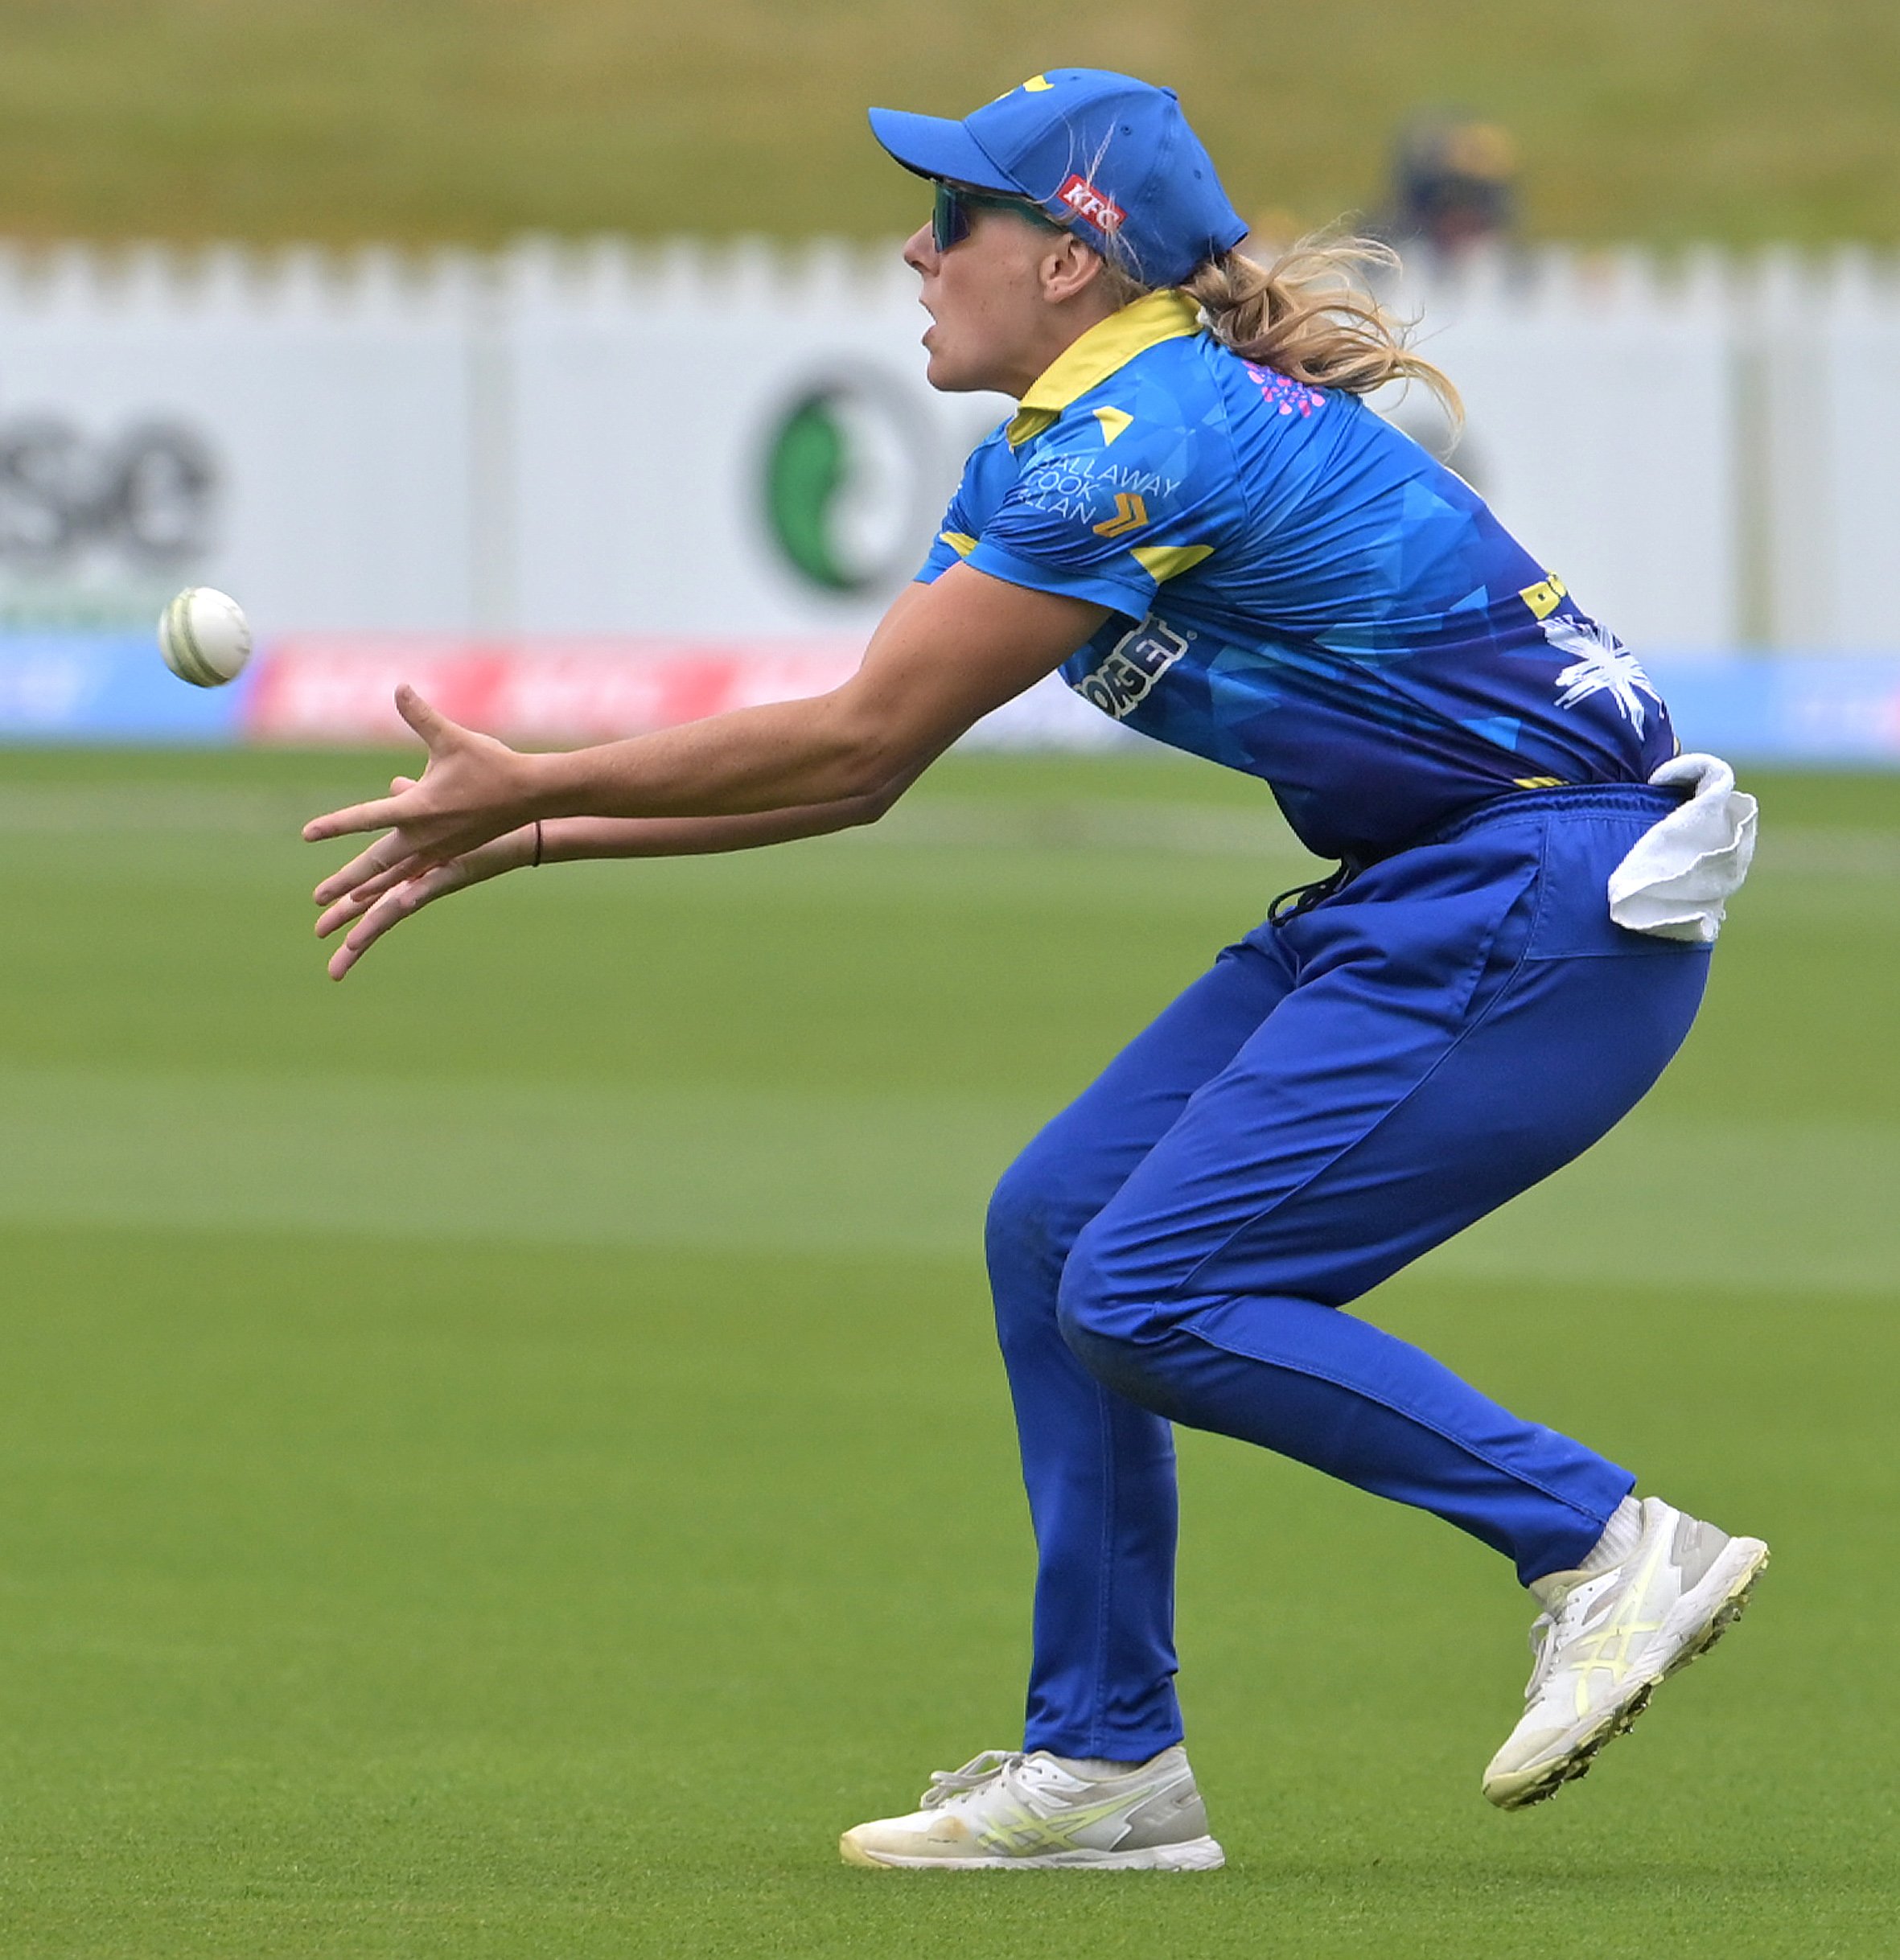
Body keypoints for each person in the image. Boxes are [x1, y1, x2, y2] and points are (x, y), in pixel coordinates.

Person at [305, 70, 1767, 1874]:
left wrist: (536, 785)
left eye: (956, 218)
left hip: (1538, 906)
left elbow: (853, 727)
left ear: (1070, 260)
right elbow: (856, 771)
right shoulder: (1058, 449)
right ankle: (1107, 1765)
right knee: (1056, 1231)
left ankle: (1598, 1539)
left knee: (1144, 1292)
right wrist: (523, 836)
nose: (913, 248)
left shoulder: (1142, 438)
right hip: (1434, 889)